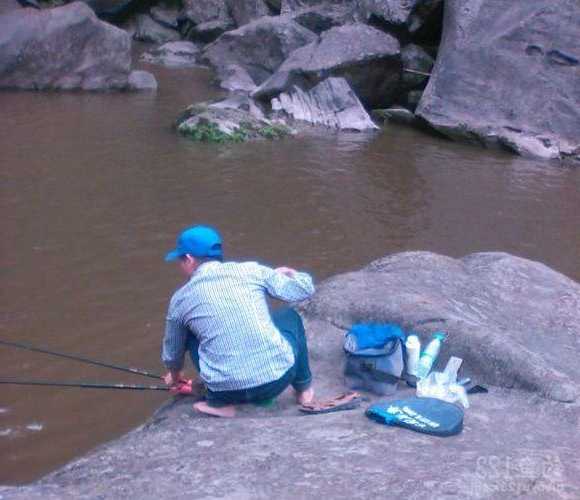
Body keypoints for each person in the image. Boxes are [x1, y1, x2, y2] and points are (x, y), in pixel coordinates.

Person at [161, 225, 316, 418]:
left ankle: (220, 404)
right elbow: (305, 289)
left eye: (180, 260)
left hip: (225, 392)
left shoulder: (180, 299)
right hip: (277, 381)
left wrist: (175, 378)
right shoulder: (251, 271)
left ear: (190, 259)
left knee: (190, 332)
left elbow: (172, 353)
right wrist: (291, 274)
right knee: (289, 316)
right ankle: (303, 390)